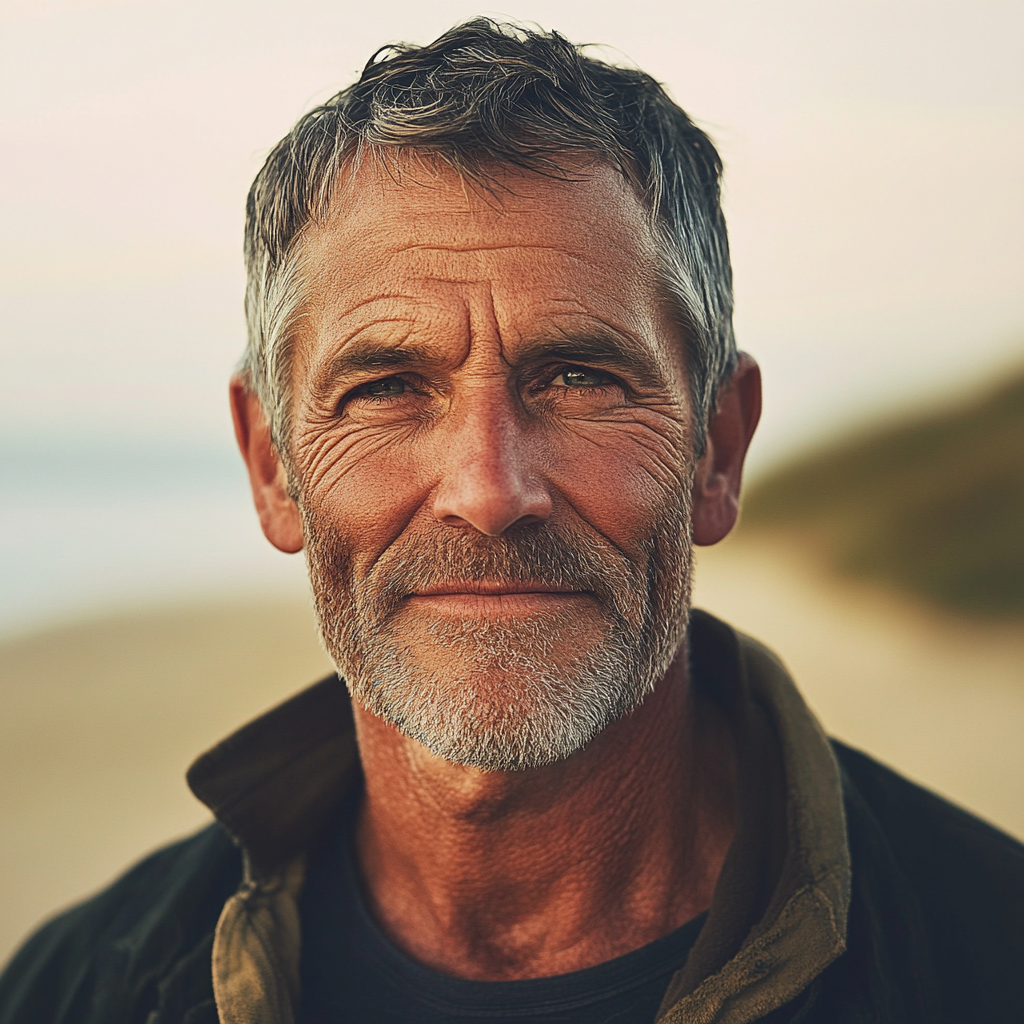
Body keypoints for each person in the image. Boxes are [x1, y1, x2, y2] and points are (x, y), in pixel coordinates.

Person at [2, 19, 1022, 1024]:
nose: (489, 491)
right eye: (388, 386)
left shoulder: (988, 953)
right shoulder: (73, 987)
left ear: (718, 447)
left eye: (579, 378)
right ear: (273, 465)